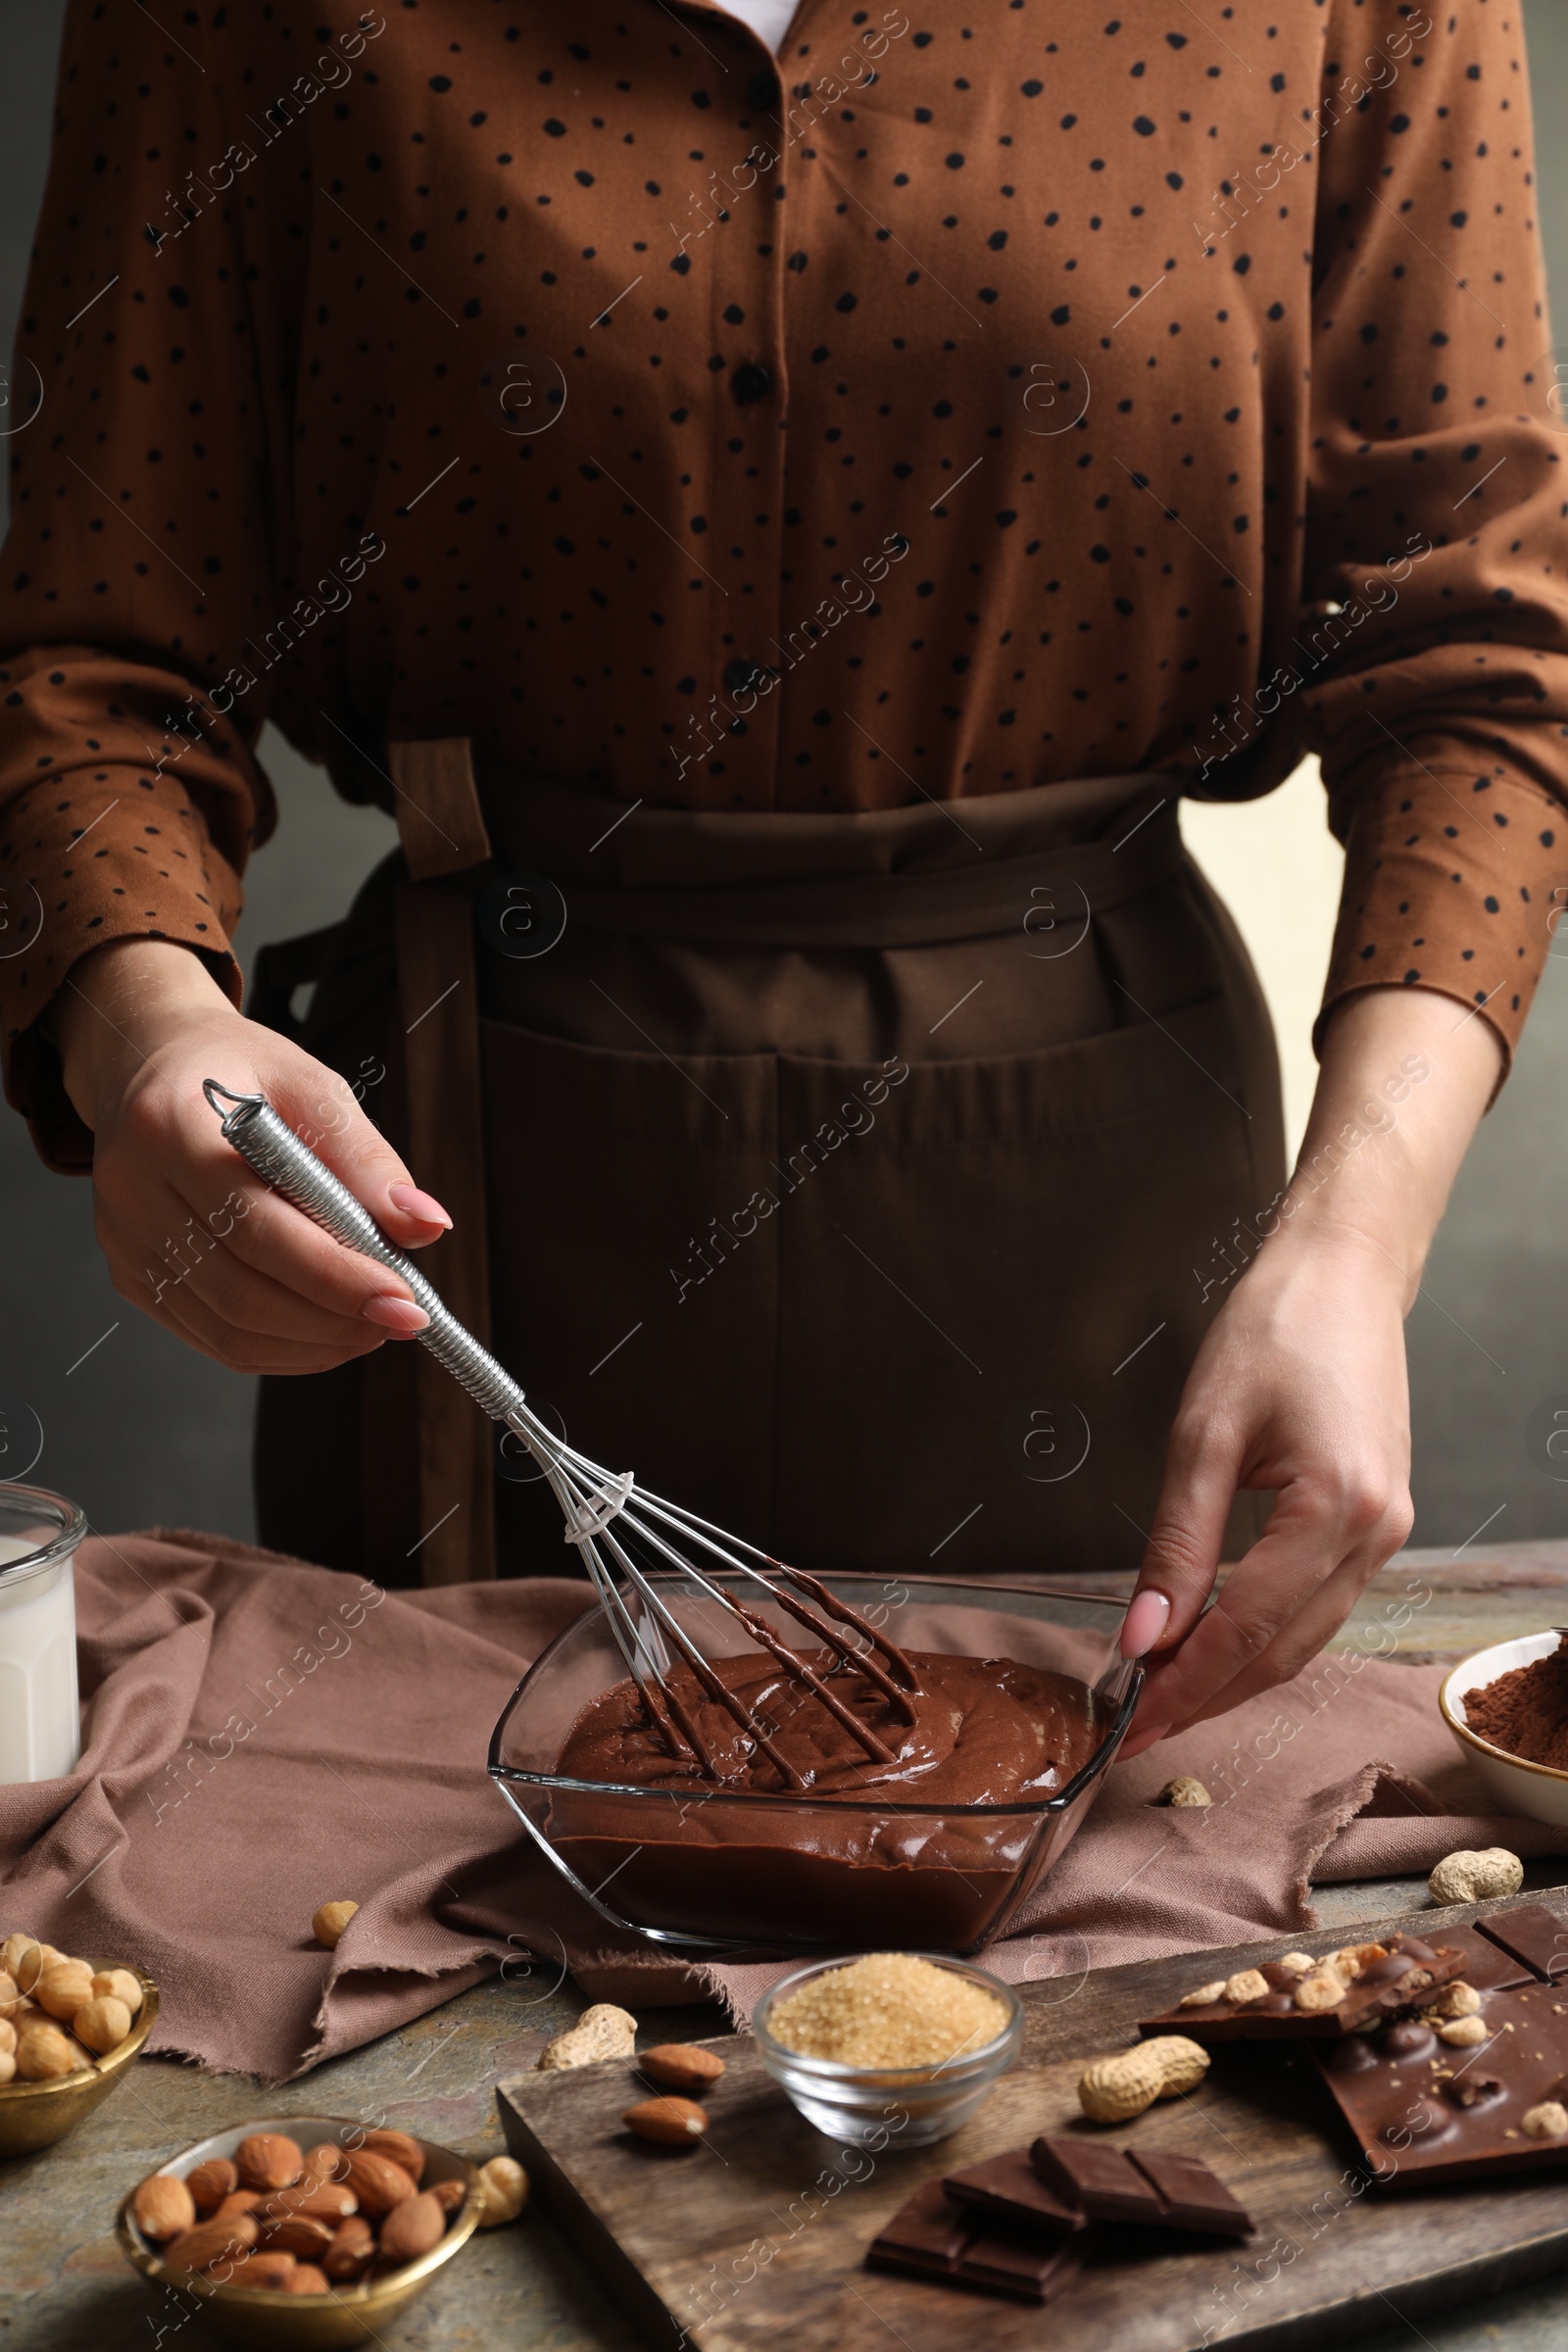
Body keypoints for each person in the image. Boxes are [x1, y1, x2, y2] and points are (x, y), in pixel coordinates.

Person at [1, 2, 1563, 1769]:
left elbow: (1473, 668)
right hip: (467, 1214)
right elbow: (90, 669)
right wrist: (142, 1025)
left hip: (1108, 1222)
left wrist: (1354, 1247)